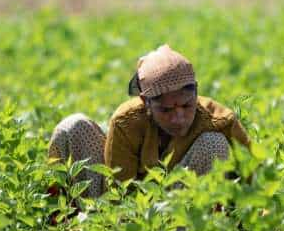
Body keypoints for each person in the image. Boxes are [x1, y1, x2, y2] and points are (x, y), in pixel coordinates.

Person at [48, 44, 250, 198]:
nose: (178, 117)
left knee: (214, 144)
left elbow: (256, 176)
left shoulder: (220, 120)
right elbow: (118, 192)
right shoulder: (126, 122)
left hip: (183, 210)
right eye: (166, 110)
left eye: (187, 106)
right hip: (131, 213)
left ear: (196, 93)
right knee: (73, 127)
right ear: (146, 102)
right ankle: (75, 228)